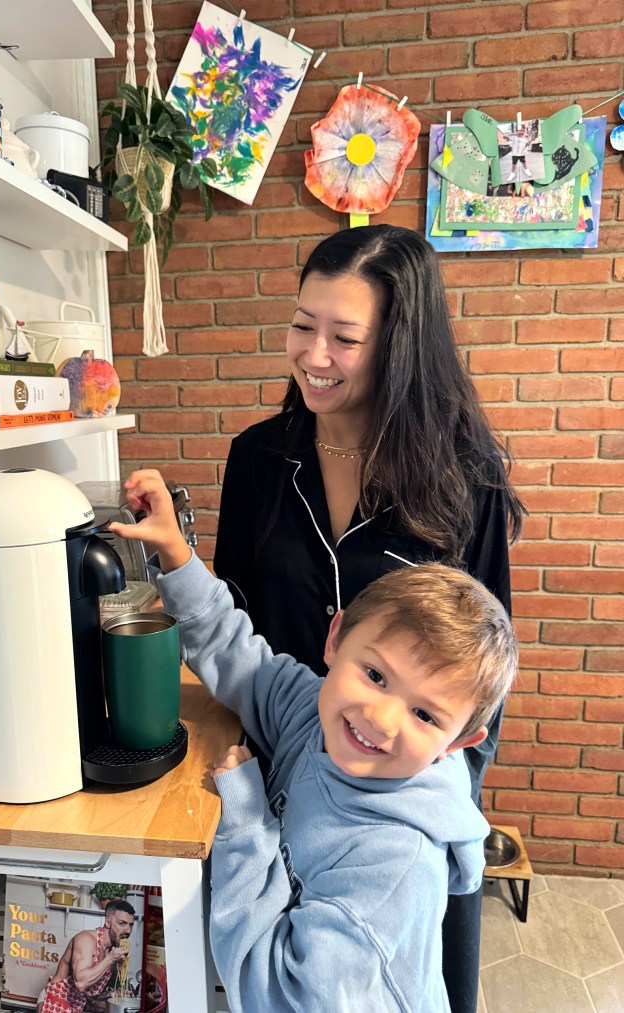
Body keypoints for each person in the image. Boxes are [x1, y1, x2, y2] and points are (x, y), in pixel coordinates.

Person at [212, 224, 525, 1013]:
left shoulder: (465, 478)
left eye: (344, 337)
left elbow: (482, 664)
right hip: (282, 771)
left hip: (394, 803)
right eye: (302, 325)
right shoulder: (256, 460)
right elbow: (235, 613)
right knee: (270, 976)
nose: (314, 355)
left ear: (400, 346)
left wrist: (434, 810)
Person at [109, 469, 519, 1013]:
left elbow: (276, 994)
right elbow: (240, 656)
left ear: (459, 742)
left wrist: (248, 821)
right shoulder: (314, 713)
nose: (381, 719)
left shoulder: (395, 863)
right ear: (335, 640)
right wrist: (176, 556)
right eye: (375, 675)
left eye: (424, 713)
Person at [37, 899, 135, 1013]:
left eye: (130, 925)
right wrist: (110, 960)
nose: (128, 930)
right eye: (122, 923)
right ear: (108, 922)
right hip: (54, 1000)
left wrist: (110, 994)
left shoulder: (110, 953)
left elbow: (87, 992)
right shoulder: (86, 940)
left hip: (75, 1007)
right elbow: (81, 983)